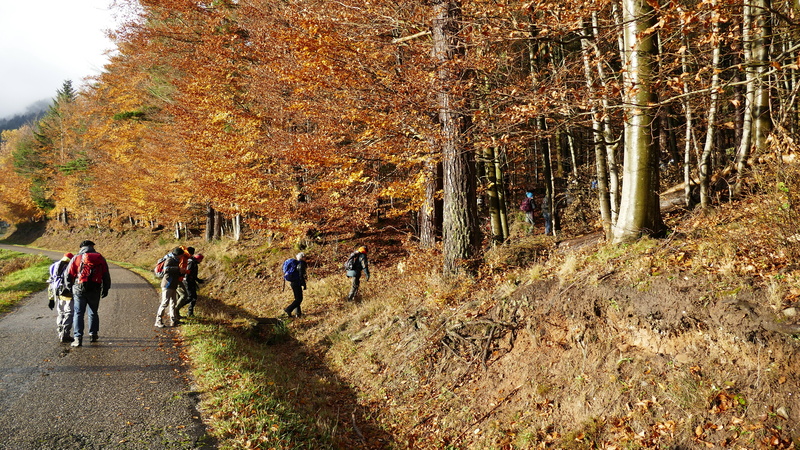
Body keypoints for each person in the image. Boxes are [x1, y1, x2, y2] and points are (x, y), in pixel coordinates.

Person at [65, 240, 111, 347]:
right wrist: (106, 288)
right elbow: (106, 274)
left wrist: (69, 288)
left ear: (82, 247)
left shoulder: (76, 258)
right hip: (95, 288)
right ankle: (93, 335)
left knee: (78, 313)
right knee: (93, 312)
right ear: (92, 246)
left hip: (79, 288)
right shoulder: (100, 258)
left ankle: (78, 338)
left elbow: (68, 274)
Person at [47, 252, 74, 343]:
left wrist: (51, 298)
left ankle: (60, 331)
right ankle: (65, 334)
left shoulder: (53, 266)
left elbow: (51, 282)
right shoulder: (71, 265)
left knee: (61, 312)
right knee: (69, 313)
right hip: (68, 293)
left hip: (57, 292)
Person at [155, 247, 184, 328]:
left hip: (173, 285)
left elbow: (174, 272)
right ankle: (158, 321)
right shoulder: (170, 260)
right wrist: (178, 269)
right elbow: (166, 269)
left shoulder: (176, 260)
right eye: (181, 255)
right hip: (167, 285)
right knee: (164, 303)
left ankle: (174, 320)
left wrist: (181, 273)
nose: (182, 257)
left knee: (173, 303)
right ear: (179, 255)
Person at [283, 252, 307, 318]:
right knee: (299, 299)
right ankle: (288, 309)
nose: (306, 258)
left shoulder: (296, 264)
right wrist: (304, 284)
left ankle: (298, 314)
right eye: (305, 257)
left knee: (297, 298)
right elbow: (301, 275)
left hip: (293, 282)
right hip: (297, 283)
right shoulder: (300, 264)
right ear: (302, 258)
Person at [182, 252, 204, 317]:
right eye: (201, 260)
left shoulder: (192, 262)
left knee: (194, 297)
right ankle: (177, 307)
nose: (201, 261)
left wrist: (198, 280)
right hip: (188, 282)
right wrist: (189, 281)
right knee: (190, 297)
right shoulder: (191, 263)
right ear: (199, 259)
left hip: (190, 281)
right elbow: (187, 273)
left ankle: (190, 312)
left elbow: (192, 274)